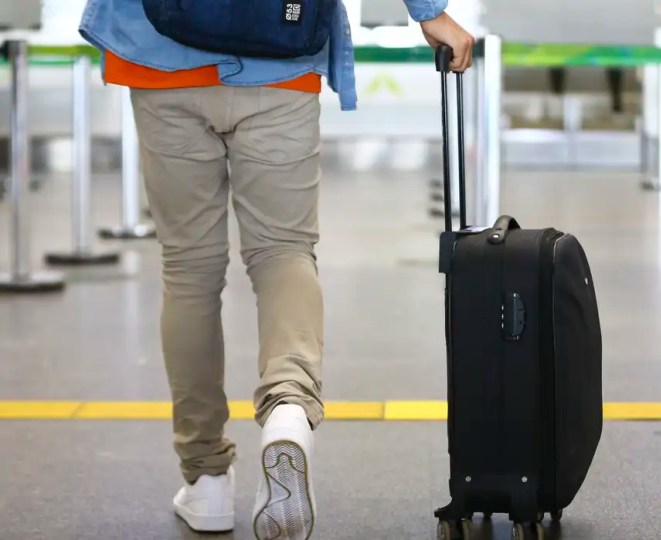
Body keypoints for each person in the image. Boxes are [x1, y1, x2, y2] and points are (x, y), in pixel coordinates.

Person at [78, 1, 474, 538]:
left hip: (158, 53)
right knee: (284, 252)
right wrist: (428, 12)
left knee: (189, 270)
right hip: (282, 56)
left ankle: (206, 479)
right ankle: (289, 405)